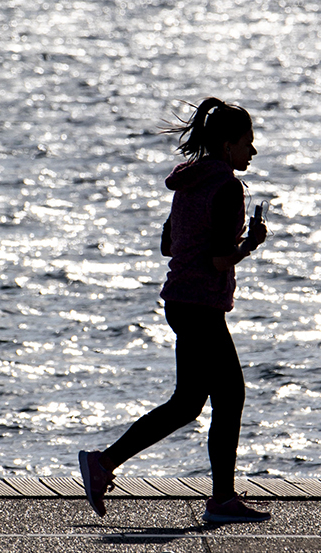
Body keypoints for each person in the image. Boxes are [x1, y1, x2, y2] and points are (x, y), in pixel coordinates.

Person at [78, 98, 270, 523]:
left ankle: (103, 464)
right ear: (226, 145)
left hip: (180, 302)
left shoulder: (187, 183)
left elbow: (169, 245)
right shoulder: (227, 187)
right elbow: (219, 260)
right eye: (247, 143)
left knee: (187, 403)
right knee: (230, 395)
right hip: (201, 305)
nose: (252, 152)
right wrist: (249, 245)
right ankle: (221, 501)